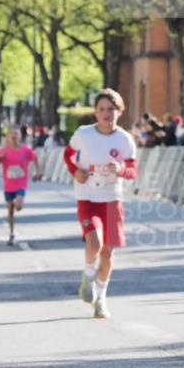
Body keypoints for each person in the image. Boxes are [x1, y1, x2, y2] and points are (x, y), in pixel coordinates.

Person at [63, 88, 138, 319]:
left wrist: (122, 170)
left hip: (112, 199)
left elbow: (133, 170)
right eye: (102, 109)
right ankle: (88, 275)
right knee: (94, 243)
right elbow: (68, 154)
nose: (107, 114)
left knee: (107, 254)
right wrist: (76, 171)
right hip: (88, 196)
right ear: (95, 113)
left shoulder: (124, 139)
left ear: (120, 111)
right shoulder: (84, 134)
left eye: (112, 109)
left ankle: (101, 299)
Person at [0, 126, 41, 246]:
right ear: (8, 137)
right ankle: (11, 233)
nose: (14, 136)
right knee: (10, 211)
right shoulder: (3, 150)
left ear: (20, 136)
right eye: (12, 134)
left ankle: (18, 203)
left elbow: (35, 159)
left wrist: (37, 172)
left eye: (16, 134)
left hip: (21, 184)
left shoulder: (26, 150)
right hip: (8, 185)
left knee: (18, 206)